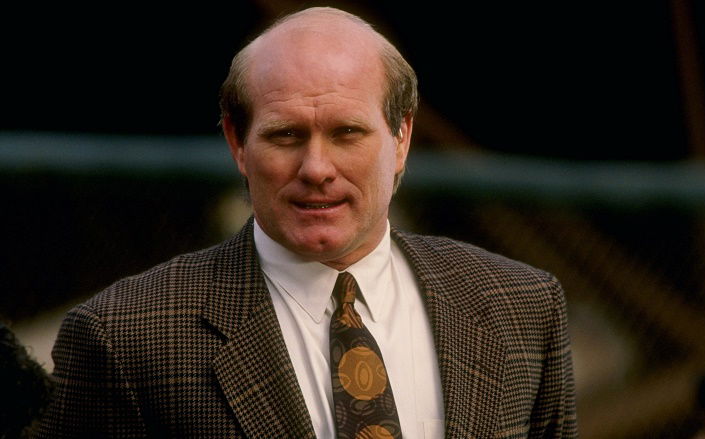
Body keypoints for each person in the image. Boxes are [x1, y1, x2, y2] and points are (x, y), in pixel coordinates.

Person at [33, 7, 577, 438]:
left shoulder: (522, 306)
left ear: (402, 138)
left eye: (347, 133)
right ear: (237, 143)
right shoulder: (126, 338)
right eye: (286, 135)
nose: (317, 169)